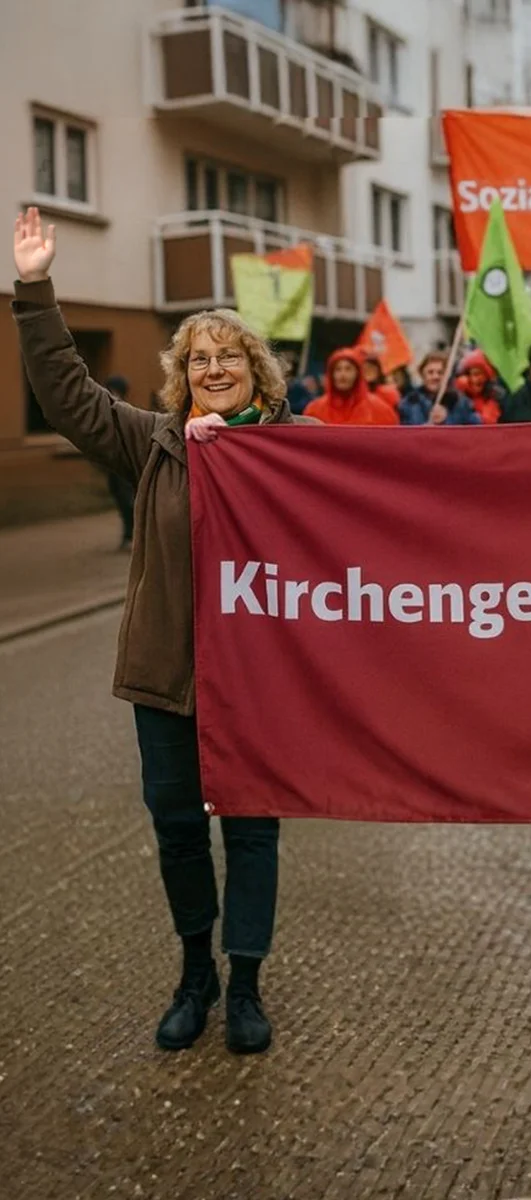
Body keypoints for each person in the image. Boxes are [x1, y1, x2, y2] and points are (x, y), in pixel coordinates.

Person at [12, 206, 319, 1055]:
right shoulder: (154, 444)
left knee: (252, 830)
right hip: (168, 678)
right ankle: (196, 975)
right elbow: (67, 393)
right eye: (199, 360)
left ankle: (248, 982)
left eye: (229, 356)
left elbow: (397, 492)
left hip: (260, 686)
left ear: (257, 370)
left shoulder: (301, 449)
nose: (214, 367)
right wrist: (33, 289)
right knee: (179, 829)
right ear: (183, 378)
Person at [304, 348, 399, 426]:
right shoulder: (314, 410)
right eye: (338, 369)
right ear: (331, 374)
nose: (343, 374)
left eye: (348, 369)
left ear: (358, 374)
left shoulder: (381, 410)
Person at [400, 352, 482, 426]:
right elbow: (404, 435)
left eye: (440, 372)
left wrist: (446, 420)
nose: (435, 377)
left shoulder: (461, 402)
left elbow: (474, 431)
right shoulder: (409, 402)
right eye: (430, 372)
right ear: (422, 375)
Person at [102, 374, 136, 549]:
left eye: (112, 390)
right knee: (119, 498)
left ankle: (132, 536)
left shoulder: (125, 411)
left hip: (125, 464)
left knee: (127, 500)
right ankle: (128, 535)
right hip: (112, 464)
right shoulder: (106, 410)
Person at [455, 349, 507, 424]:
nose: (474, 379)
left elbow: (487, 422)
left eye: (478, 374)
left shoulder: (495, 397)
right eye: (470, 374)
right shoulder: (457, 396)